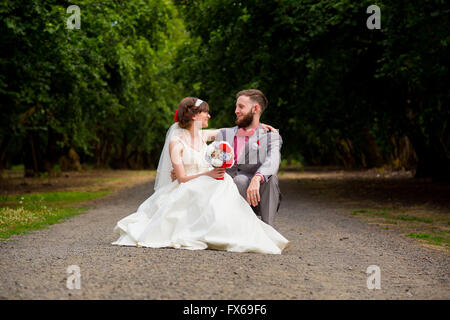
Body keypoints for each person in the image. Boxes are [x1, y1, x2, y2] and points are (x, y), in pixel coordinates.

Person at [112, 97, 290, 254]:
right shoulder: (176, 142)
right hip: (190, 184)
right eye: (206, 113)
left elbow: (233, 131)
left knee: (225, 189)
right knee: (215, 192)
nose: (209, 116)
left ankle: (234, 231)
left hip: (208, 180)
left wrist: (260, 127)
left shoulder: (202, 136)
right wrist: (209, 173)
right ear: (195, 116)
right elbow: (181, 178)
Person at [216, 89, 282, 226]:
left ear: (255, 109)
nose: (236, 110)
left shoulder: (271, 136)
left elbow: (273, 160)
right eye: (236, 106)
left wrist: (257, 178)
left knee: (271, 178)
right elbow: (210, 161)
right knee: (239, 180)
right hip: (226, 195)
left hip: (257, 196)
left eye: (241, 106)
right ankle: (240, 228)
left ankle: (268, 230)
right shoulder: (223, 134)